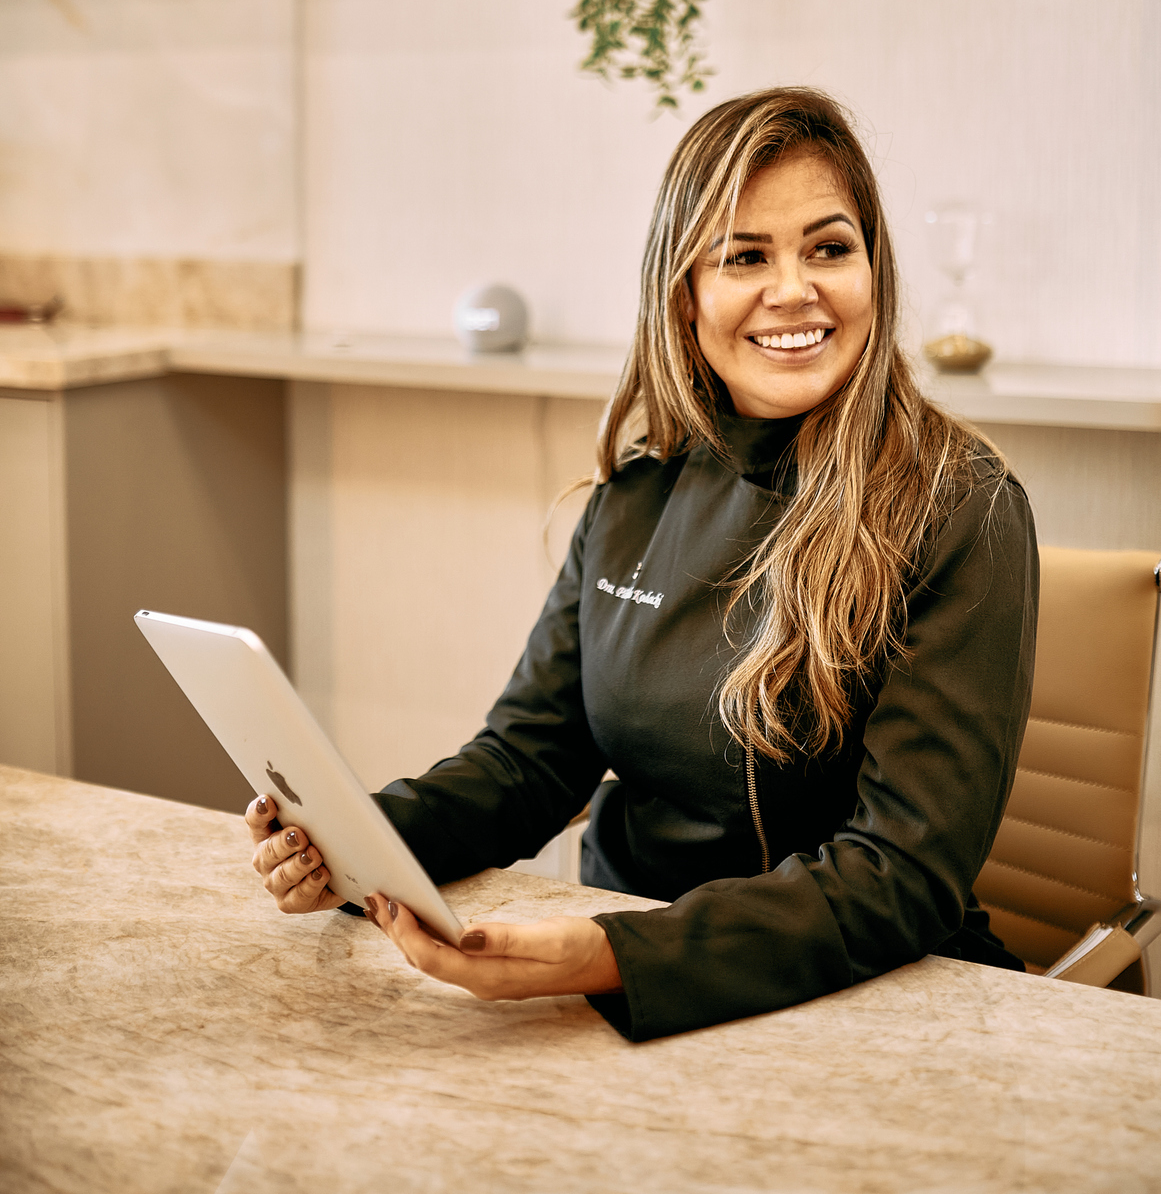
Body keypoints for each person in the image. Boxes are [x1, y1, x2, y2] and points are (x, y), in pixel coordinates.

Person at [247, 87, 1038, 1043]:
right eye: (745, 256)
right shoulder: (638, 490)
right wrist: (358, 842)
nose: (795, 289)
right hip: (615, 972)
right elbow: (528, 760)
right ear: (684, 293)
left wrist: (613, 956)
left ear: (875, 271)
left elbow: (899, 876)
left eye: (829, 248)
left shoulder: (961, 507)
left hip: (861, 998)